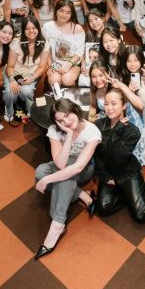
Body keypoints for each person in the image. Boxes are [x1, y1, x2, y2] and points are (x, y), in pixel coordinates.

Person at [34, 98, 101, 259]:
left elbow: (77, 167)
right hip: (63, 165)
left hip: (83, 169)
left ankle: (57, 224)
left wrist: (48, 180)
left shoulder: (92, 131)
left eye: (67, 115)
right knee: (41, 172)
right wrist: (69, 135)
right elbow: (60, 163)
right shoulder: (54, 130)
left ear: (74, 109)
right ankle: (82, 195)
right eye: (60, 120)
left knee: (62, 174)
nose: (66, 122)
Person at [94, 87, 145, 222]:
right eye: (106, 103)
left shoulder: (132, 131)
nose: (109, 108)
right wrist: (105, 176)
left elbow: (118, 157)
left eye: (114, 103)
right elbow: (97, 154)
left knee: (141, 215)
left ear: (124, 106)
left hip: (128, 173)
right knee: (103, 207)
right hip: (110, 173)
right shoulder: (98, 125)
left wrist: (117, 129)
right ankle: (131, 195)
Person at [3, 16, 49, 126]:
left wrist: (32, 78)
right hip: (14, 72)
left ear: (38, 28)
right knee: (10, 93)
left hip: (31, 73)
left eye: (34, 28)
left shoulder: (44, 44)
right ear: (23, 30)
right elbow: (10, 66)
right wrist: (12, 80)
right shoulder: (16, 42)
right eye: (27, 29)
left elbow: (41, 67)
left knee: (27, 91)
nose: (31, 31)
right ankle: (9, 110)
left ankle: (30, 111)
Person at [43, 0, 85, 87]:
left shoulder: (77, 28)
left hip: (72, 63)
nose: (64, 15)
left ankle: (72, 95)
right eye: (61, 11)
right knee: (54, 80)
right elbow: (45, 50)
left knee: (67, 80)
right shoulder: (47, 27)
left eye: (68, 12)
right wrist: (52, 66)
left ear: (72, 14)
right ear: (56, 11)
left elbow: (79, 52)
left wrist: (68, 66)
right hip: (54, 63)